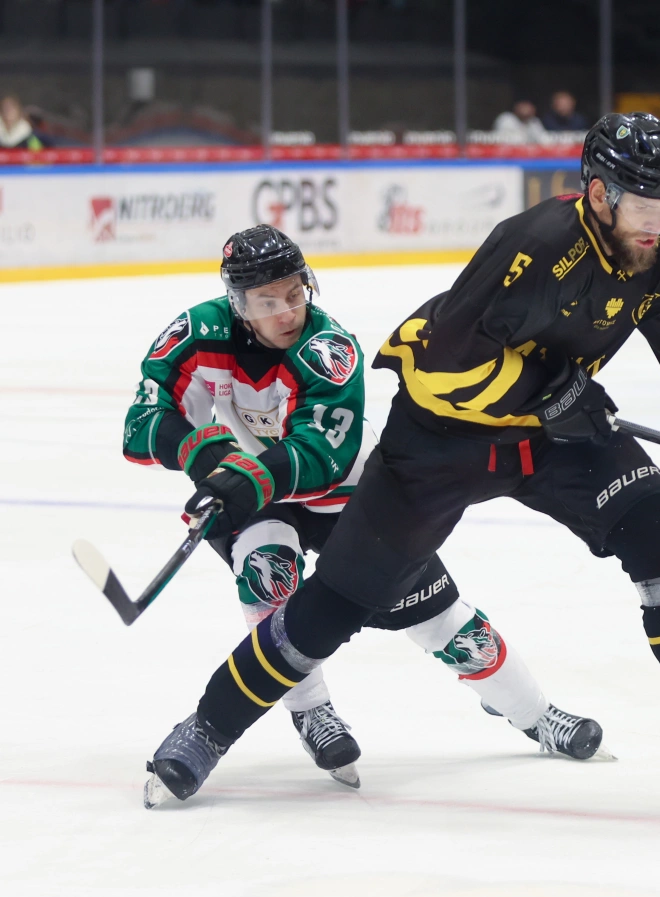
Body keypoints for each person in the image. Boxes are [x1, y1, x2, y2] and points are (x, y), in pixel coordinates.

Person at [144, 114, 660, 822]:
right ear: (599, 194)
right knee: (337, 599)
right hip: (442, 438)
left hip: (556, 433)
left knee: (659, 530)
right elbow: (441, 367)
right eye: (646, 208)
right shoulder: (535, 243)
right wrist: (544, 389)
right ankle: (208, 726)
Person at [127, 225, 605, 808]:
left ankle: (535, 714)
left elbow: (320, 455)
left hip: (346, 490)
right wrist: (205, 455)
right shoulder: (196, 333)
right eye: (268, 302)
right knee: (268, 575)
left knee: (444, 624)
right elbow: (141, 422)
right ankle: (311, 710)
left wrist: (236, 475)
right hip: (254, 492)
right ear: (238, 304)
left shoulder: (328, 347)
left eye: (295, 293)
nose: (287, 312)